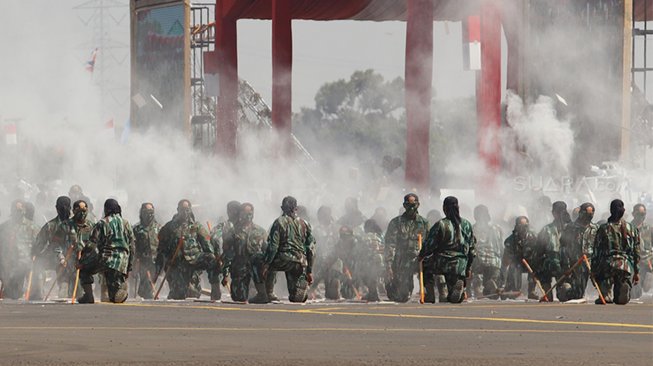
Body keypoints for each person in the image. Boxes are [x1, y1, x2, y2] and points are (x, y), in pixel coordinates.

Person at [254, 196, 315, 303]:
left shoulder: (279, 222)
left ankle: (267, 293)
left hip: (283, 259)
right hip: (300, 262)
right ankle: (300, 285)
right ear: (296, 208)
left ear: (282, 208)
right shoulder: (305, 224)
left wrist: (266, 264)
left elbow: (273, 247)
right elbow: (310, 249)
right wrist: (309, 271)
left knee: (257, 258)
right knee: (294, 298)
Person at [156, 199, 221, 300]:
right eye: (182, 209)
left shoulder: (196, 226)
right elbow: (161, 248)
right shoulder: (169, 227)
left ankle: (215, 289)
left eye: (187, 210)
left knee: (211, 258)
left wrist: (214, 259)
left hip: (194, 258)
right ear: (178, 210)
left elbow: (207, 244)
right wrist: (163, 264)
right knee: (180, 295)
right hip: (178, 263)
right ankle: (179, 289)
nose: (185, 212)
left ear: (190, 210)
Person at [76, 199, 135, 304]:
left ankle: (89, 296)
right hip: (122, 261)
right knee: (113, 297)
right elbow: (132, 247)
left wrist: (82, 261)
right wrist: (129, 266)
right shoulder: (126, 223)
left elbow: (91, 244)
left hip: (106, 259)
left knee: (84, 270)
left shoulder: (102, 223)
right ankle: (120, 288)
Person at [419, 196, 476, 304]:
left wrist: (421, 255)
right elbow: (472, 249)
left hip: (442, 262)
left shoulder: (441, 224)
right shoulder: (467, 224)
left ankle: (430, 295)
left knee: (426, 265)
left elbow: (430, 245)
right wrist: (468, 267)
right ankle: (457, 290)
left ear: (444, 208)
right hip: (461, 264)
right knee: (454, 296)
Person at [591, 199, 641, 305]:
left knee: (604, 280)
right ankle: (622, 290)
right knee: (622, 283)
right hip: (625, 265)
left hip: (607, 264)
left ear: (611, 210)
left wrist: (594, 270)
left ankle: (606, 294)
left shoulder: (604, 228)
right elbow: (636, 252)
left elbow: (596, 251)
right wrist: (636, 271)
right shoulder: (632, 228)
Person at [384, 193, 430, 302]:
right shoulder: (396, 223)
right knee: (403, 296)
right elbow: (390, 244)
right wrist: (389, 265)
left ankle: (432, 290)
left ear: (418, 205)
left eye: (414, 205)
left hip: (420, 258)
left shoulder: (424, 223)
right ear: (404, 205)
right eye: (408, 205)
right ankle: (394, 286)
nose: (411, 208)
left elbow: (430, 243)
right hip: (403, 261)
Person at [222, 203, 267, 302]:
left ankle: (261, 292)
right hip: (240, 269)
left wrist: (267, 268)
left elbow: (267, 251)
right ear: (240, 214)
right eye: (245, 213)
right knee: (239, 298)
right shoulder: (233, 231)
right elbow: (227, 254)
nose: (248, 215)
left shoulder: (261, 231)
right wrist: (225, 274)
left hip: (256, 270)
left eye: (250, 213)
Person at [32, 196, 75, 297]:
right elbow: (39, 244)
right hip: (62, 259)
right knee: (39, 264)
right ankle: (41, 291)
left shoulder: (51, 225)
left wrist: (35, 254)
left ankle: (40, 291)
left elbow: (39, 244)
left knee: (39, 265)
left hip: (66, 259)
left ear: (56, 208)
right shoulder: (74, 225)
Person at [558, 203, 597, 301]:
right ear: (581, 213)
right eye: (586, 214)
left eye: (591, 214)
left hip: (590, 261)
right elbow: (563, 246)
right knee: (578, 294)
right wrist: (566, 264)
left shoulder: (595, 228)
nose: (589, 216)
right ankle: (565, 291)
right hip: (574, 262)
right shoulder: (570, 228)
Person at [0, 200, 39, 299]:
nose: (18, 212)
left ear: (24, 211)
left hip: (26, 261)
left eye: (20, 210)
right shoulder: (4, 227)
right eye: (16, 210)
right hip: (8, 261)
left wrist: (35, 254)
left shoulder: (32, 227)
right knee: (10, 290)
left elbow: (39, 244)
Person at [535, 201, 570, 301]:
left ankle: (563, 291)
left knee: (564, 294)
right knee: (544, 270)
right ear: (553, 213)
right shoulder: (547, 229)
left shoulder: (571, 228)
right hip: (549, 263)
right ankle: (547, 291)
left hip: (565, 264)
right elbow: (539, 249)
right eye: (557, 212)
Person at [208, 201, 240, 301]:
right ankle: (216, 290)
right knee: (213, 262)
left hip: (239, 261)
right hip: (229, 258)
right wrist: (218, 255)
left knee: (238, 296)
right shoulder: (225, 226)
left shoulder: (244, 226)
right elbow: (215, 238)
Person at [470, 205, 503, 299]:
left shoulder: (472, 228)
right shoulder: (497, 228)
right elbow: (501, 246)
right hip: (494, 260)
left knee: (478, 277)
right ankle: (491, 284)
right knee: (492, 278)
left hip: (478, 260)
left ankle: (479, 289)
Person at [501, 216, 538, 299]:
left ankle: (531, 291)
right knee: (514, 266)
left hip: (530, 262)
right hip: (517, 263)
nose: (523, 229)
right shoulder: (510, 240)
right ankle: (514, 289)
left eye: (525, 226)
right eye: (521, 226)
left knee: (536, 267)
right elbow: (505, 260)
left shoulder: (534, 238)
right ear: (516, 226)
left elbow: (539, 252)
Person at [132, 203, 160, 299]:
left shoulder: (159, 227)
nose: (149, 215)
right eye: (146, 212)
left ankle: (150, 294)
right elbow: (133, 245)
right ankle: (148, 296)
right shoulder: (136, 229)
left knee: (153, 280)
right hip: (143, 260)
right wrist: (134, 261)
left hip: (156, 260)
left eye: (151, 212)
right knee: (146, 280)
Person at [631, 204, 652, 298]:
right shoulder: (628, 228)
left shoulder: (649, 229)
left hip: (649, 260)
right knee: (635, 294)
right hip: (634, 261)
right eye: (639, 214)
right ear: (633, 214)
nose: (642, 216)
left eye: (644, 214)